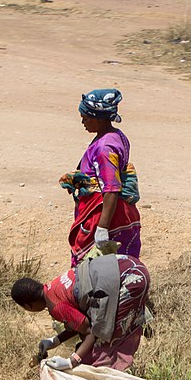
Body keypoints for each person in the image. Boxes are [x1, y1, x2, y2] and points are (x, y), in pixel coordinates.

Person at [11, 255, 150, 372]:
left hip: (129, 280)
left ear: (28, 305)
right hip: (128, 264)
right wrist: (55, 341)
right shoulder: (53, 287)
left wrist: (72, 362)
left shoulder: (56, 306)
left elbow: (90, 331)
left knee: (102, 352)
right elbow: (80, 322)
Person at [59, 89, 141, 266]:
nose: (82, 122)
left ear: (100, 119)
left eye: (86, 118)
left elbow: (111, 188)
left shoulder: (104, 148)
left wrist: (102, 229)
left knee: (94, 270)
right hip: (119, 212)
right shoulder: (117, 136)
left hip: (104, 215)